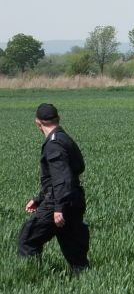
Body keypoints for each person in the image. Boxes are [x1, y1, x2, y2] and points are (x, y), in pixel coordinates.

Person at [18, 103, 90, 273]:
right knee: (75, 254)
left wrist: (58, 208)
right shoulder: (65, 138)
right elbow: (69, 174)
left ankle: (32, 278)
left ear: (38, 123)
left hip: (58, 203)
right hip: (74, 198)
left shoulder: (54, 144)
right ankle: (85, 282)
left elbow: (62, 178)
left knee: (28, 240)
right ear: (58, 119)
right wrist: (39, 198)